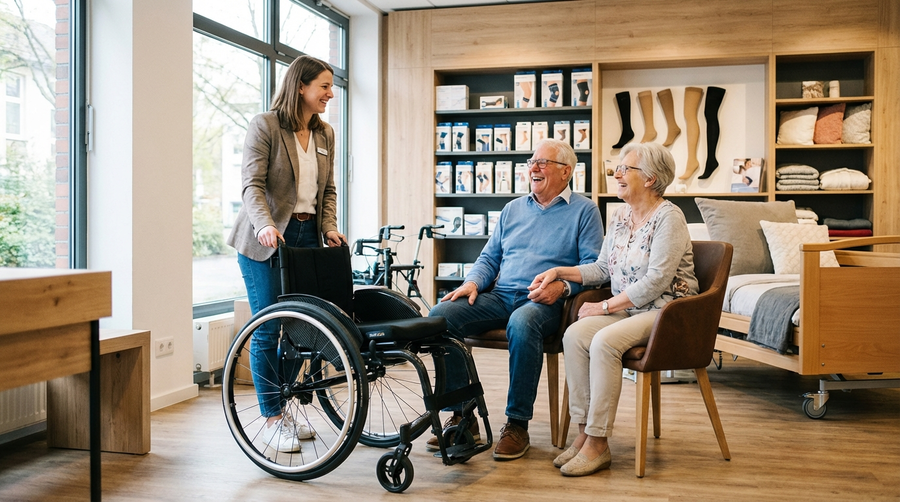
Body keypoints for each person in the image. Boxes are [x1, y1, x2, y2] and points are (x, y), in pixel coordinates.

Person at [428, 138, 604, 460]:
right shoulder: (512, 209)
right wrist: (472, 282)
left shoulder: (585, 211)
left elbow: (595, 268)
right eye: (531, 162)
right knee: (440, 315)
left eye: (543, 163)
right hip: (500, 295)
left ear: (566, 171)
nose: (533, 168)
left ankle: (517, 424)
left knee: (522, 324)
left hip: (544, 302)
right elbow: (488, 258)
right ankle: (463, 416)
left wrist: (563, 288)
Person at [530, 142, 698, 476]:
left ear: (650, 178)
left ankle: (598, 442)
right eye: (617, 168)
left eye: (625, 169)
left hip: (667, 312)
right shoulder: (621, 217)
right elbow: (603, 269)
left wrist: (604, 306)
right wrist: (559, 272)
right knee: (575, 334)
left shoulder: (669, 218)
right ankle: (583, 432)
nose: (616, 174)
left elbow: (655, 281)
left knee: (604, 341)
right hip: (630, 309)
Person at [226, 55, 346, 454]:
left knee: (301, 329)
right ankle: (273, 417)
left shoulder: (326, 133)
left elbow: (327, 191)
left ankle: (283, 406)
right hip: (265, 237)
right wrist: (263, 223)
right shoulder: (266, 125)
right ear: (301, 87)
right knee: (267, 327)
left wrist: (328, 225)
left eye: (330, 87)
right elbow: (252, 184)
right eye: (324, 86)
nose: (330, 93)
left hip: (307, 237)